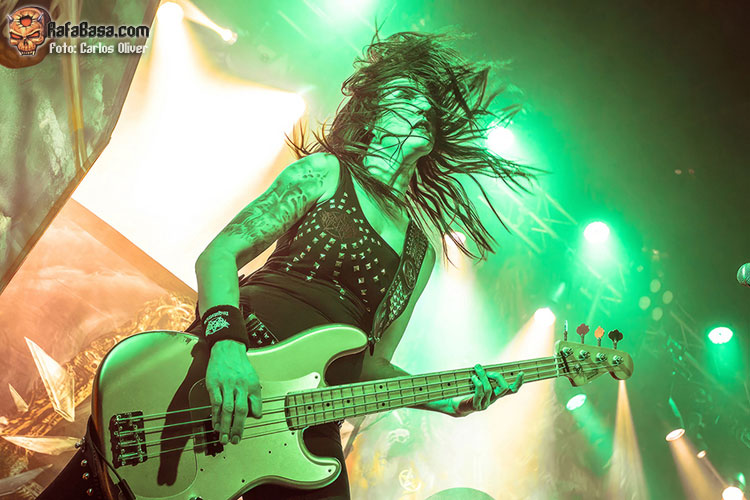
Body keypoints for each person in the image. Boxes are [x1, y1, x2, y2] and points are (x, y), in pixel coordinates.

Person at [193, 30, 537, 499]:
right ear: (374, 112)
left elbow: (371, 364)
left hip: (308, 419)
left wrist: (447, 399)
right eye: (406, 94)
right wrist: (227, 347)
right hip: (237, 364)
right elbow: (218, 254)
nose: (422, 106)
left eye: (427, 101)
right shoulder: (325, 173)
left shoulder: (420, 252)